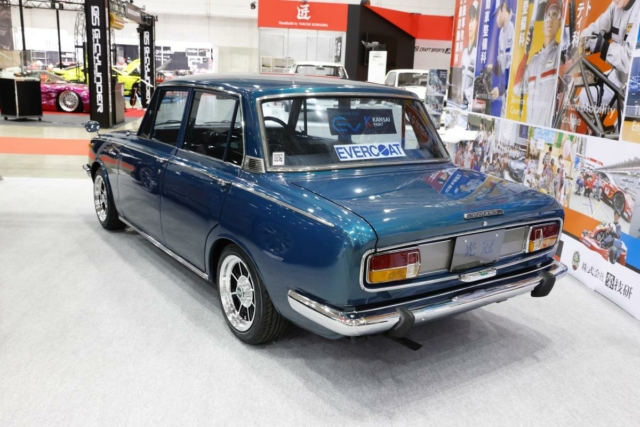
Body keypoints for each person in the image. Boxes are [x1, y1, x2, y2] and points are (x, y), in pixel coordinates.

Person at [578, 0, 640, 116]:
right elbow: (596, 28)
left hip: (635, 88)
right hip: (618, 78)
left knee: (621, 125)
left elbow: (629, 60)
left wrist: (603, 46)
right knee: (585, 97)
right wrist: (579, 43)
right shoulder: (615, 5)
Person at [513, 0, 563, 126]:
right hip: (530, 130)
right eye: (548, 15)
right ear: (543, 25)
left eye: (555, 15)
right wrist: (526, 53)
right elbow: (517, 88)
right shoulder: (533, 61)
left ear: (559, 23)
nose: (550, 19)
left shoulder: (560, 54)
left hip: (549, 130)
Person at [489, 1, 515, 116]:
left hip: (515, 91)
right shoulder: (501, 34)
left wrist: (500, 89)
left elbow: (512, 66)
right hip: (506, 92)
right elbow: (502, 62)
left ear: (504, 7)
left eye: (498, 14)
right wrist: (492, 67)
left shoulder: (514, 26)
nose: (496, 20)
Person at [461, 1, 479, 106]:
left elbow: (478, 83)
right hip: (459, 105)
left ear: (477, 23)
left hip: (470, 105)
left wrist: (465, 94)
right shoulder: (464, 52)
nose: (470, 25)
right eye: (470, 20)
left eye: (473, 20)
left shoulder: (477, 53)